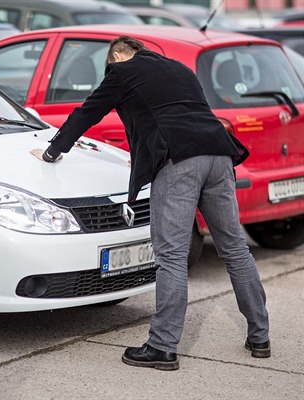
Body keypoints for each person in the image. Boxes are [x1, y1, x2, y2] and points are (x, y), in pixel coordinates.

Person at [30, 36, 270, 371]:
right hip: (219, 154)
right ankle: (260, 336)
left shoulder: (122, 71)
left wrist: (53, 150)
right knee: (234, 248)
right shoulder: (179, 69)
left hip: (180, 162)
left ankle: (162, 347)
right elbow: (171, 115)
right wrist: (145, 156)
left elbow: (87, 113)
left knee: (170, 255)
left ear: (116, 55)